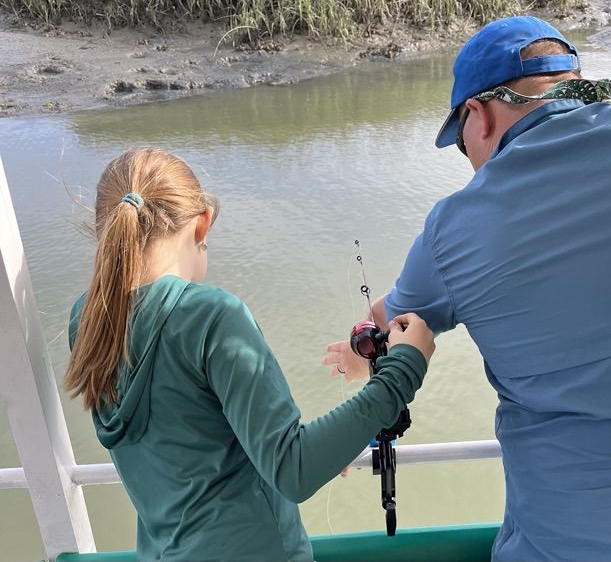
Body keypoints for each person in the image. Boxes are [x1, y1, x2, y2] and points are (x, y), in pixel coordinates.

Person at [324, 15, 611, 561]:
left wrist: (363, 358)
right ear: (577, 84)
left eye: (462, 147)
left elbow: (386, 328)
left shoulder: (454, 230)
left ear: (477, 117)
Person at [65, 148, 435, 562]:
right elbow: (294, 469)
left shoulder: (87, 319)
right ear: (201, 223)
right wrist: (402, 369)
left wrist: (333, 443)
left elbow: (194, 442)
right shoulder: (211, 316)